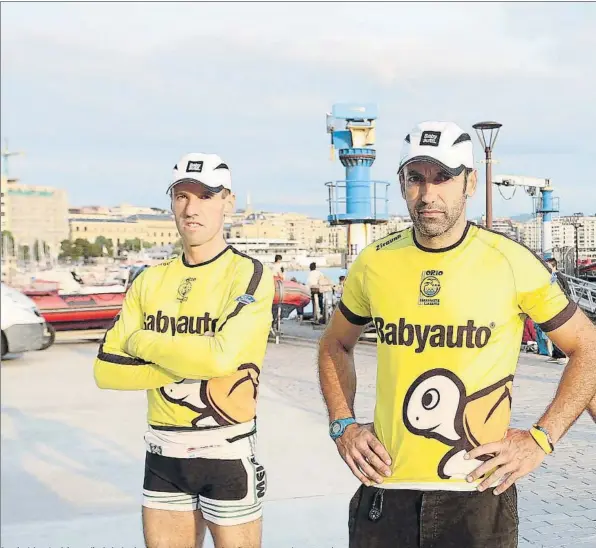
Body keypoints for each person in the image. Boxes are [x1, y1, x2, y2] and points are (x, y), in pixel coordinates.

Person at [317, 121, 596, 548]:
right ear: (402, 183)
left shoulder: (509, 260)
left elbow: (586, 346)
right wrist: (343, 426)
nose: (429, 195)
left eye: (443, 177)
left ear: (470, 182)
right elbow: (334, 342)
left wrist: (541, 439)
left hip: (477, 497)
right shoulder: (375, 262)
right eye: (416, 178)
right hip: (385, 490)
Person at [94, 153, 275, 548]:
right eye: (181, 196)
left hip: (226, 447)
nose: (191, 208)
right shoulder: (149, 280)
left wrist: (142, 343)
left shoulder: (249, 273)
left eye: (206, 195)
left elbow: (220, 358)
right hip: (163, 451)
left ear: (228, 201)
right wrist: (185, 365)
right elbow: (106, 371)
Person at [545, 257, 571, 363]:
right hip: (553, 307)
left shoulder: (559, 277)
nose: (546, 267)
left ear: (553, 266)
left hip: (559, 307)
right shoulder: (552, 277)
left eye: (548, 266)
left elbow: (566, 292)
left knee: (559, 331)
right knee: (552, 331)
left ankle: (562, 356)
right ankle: (556, 354)